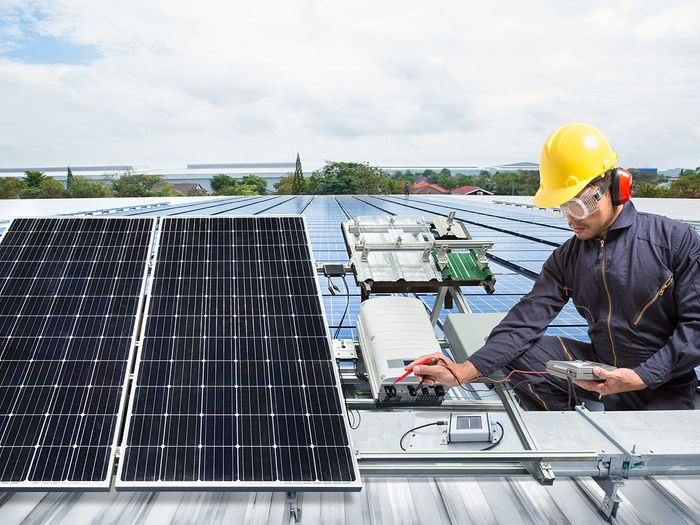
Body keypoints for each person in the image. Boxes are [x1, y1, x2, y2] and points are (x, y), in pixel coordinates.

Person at [406, 122, 700, 410]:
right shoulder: (568, 257)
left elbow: (696, 326)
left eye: (578, 205)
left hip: (662, 387)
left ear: (617, 187)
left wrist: (641, 376)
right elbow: (524, 323)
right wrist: (463, 371)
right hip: (602, 373)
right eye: (563, 207)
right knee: (520, 350)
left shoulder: (674, 241)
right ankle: (567, 424)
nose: (571, 218)